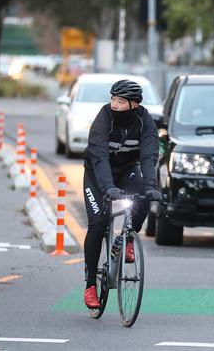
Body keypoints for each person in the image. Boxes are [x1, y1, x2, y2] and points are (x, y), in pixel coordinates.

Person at [82, 79, 161, 309]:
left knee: (144, 199)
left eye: (120, 101)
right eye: (113, 99)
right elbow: (99, 156)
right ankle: (90, 286)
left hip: (127, 171)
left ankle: (125, 239)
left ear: (134, 104)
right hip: (98, 174)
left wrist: (152, 186)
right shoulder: (103, 117)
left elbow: (148, 157)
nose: (114, 104)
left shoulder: (145, 121)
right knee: (98, 224)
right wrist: (107, 188)